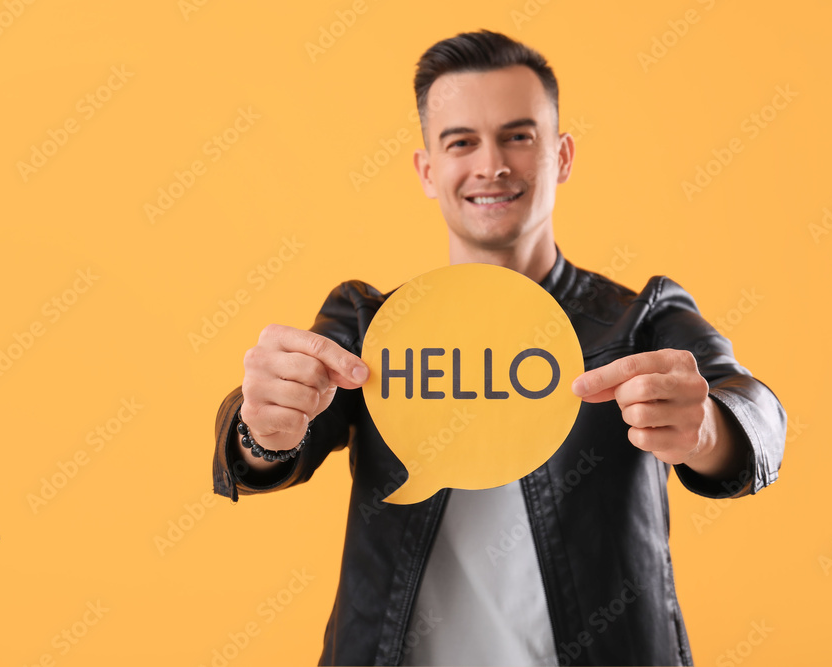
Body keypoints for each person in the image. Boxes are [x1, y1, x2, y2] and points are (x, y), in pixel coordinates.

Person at [211, 29, 786, 666]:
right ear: (428, 170)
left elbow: (754, 407)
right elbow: (276, 449)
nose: (492, 166)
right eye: (462, 142)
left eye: (518, 136)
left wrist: (708, 429)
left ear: (562, 157)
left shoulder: (642, 317)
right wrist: (261, 428)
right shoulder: (368, 321)